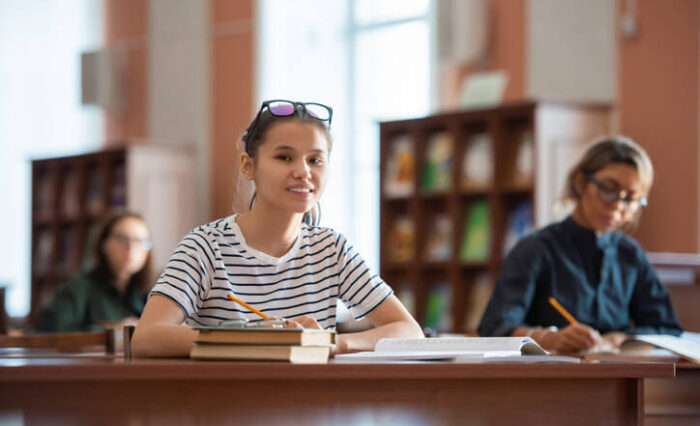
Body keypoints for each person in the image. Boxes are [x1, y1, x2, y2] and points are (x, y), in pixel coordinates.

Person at [132, 100, 422, 357]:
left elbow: (408, 330)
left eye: (315, 159)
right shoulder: (204, 246)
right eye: (284, 157)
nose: (303, 171)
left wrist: (332, 342)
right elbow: (147, 337)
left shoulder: (332, 249)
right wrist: (262, 339)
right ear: (248, 166)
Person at [478, 136, 682, 353]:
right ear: (581, 182)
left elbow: (667, 328)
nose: (617, 206)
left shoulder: (630, 255)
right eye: (608, 189)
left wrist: (617, 339)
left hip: (619, 377)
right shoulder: (535, 249)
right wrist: (548, 338)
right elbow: (495, 327)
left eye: (630, 198)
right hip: (547, 377)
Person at [36, 212, 153, 332]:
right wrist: (113, 331)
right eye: (122, 239)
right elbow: (50, 332)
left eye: (140, 242)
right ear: (104, 244)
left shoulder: (152, 292)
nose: (131, 248)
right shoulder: (77, 288)